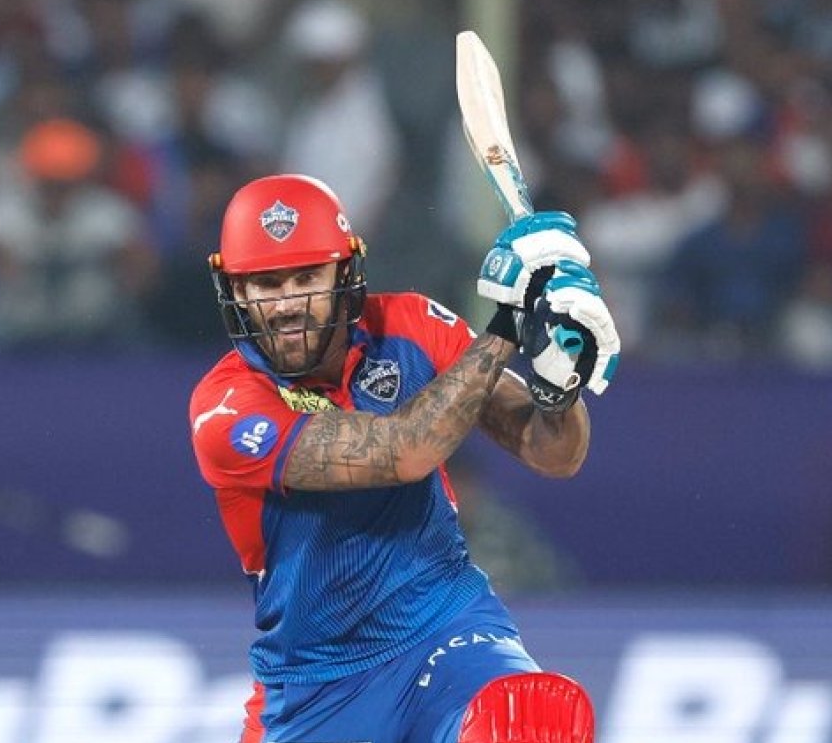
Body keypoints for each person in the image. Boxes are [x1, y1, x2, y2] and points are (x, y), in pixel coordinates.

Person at [188, 174, 619, 743]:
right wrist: (508, 324)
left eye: (307, 277)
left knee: (525, 721)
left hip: (447, 628)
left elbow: (554, 453)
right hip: (316, 685)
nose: (288, 304)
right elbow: (404, 451)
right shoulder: (226, 408)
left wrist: (558, 390)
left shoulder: (413, 325)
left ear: (344, 274)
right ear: (237, 292)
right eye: (266, 284)